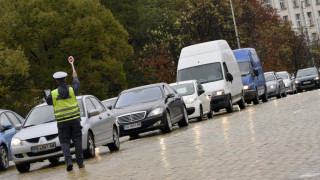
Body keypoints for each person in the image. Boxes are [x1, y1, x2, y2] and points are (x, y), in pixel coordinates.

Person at [45, 71, 84, 171]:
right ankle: (80, 164)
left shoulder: (53, 94)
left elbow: (48, 101)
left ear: (57, 82)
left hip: (62, 123)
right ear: (65, 80)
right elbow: (77, 85)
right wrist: (75, 77)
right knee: (77, 141)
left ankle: (69, 162)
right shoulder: (72, 89)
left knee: (65, 142)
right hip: (75, 120)